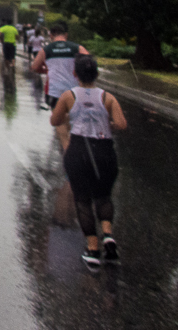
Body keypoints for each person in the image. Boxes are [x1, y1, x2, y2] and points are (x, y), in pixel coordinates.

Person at [50, 55, 128, 268]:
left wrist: (71, 118)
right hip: (104, 151)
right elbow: (121, 124)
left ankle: (92, 249)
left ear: (75, 74)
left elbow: (54, 120)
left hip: (79, 150)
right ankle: (108, 235)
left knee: (83, 200)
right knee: (103, 197)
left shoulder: (68, 96)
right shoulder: (108, 97)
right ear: (97, 74)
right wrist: (106, 123)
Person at [32, 22, 88, 149]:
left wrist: (46, 70)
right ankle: (74, 143)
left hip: (54, 91)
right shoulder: (76, 47)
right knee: (72, 117)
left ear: (51, 35)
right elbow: (89, 61)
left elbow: (34, 66)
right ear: (66, 35)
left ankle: (66, 148)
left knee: (59, 121)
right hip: (74, 91)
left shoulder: (46, 50)